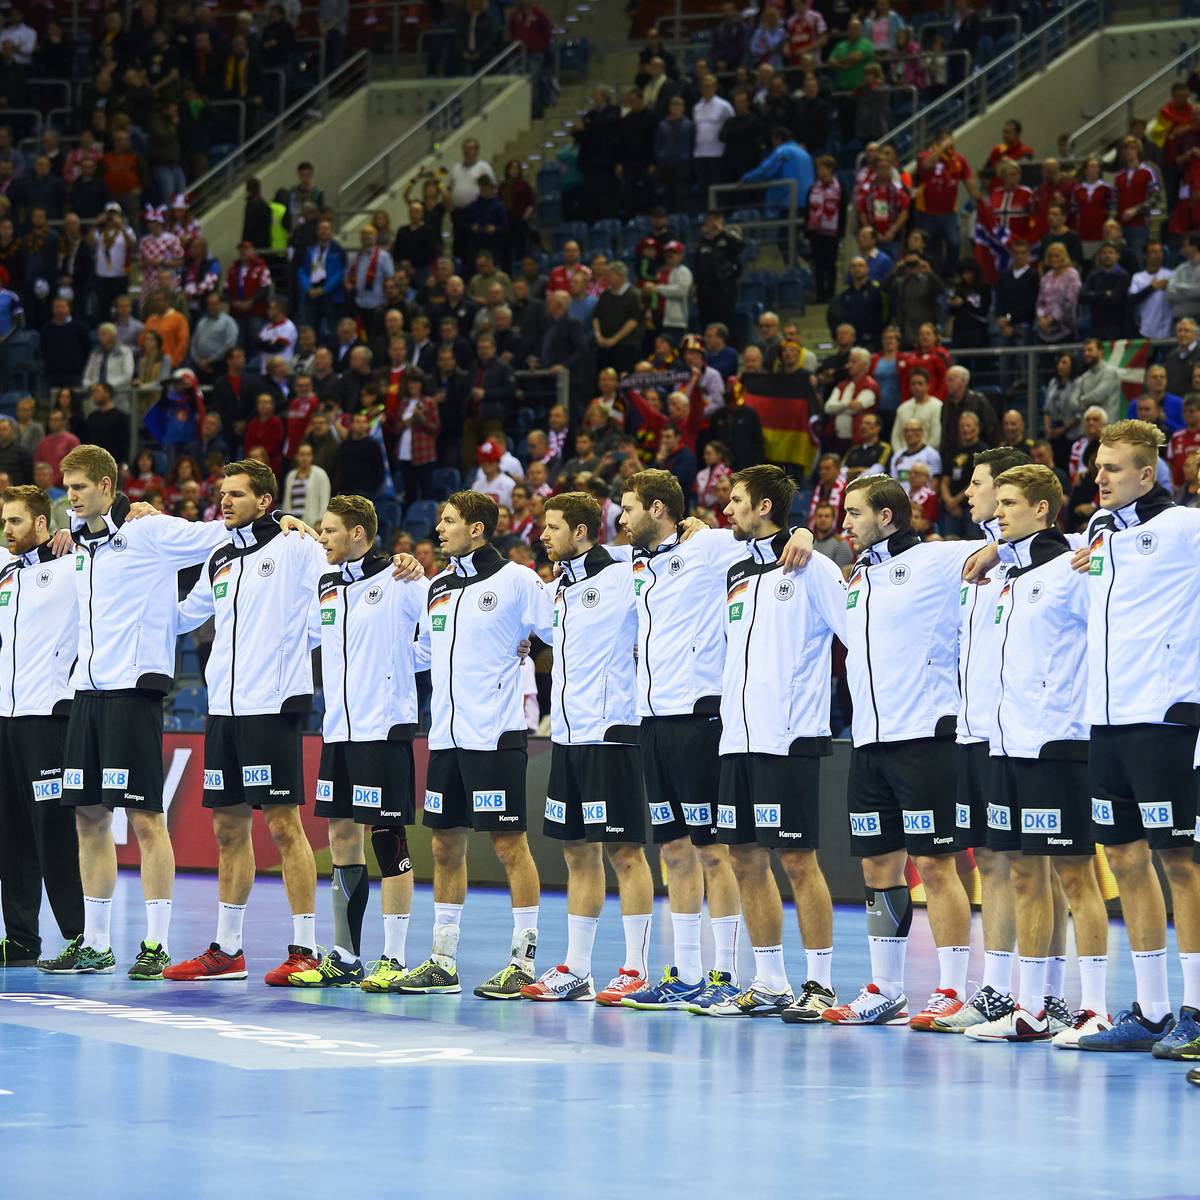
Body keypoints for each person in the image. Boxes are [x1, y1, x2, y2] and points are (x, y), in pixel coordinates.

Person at [618, 472, 810, 1012]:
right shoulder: (636, 563)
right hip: (651, 720)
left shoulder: (708, 547)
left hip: (698, 718)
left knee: (713, 850)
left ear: (658, 509)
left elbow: (772, 536)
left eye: (629, 509)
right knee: (674, 851)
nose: (622, 519)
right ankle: (687, 972)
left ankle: (726, 974)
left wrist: (805, 536)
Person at [56, 445, 232, 978]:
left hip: (134, 691)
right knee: (89, 819)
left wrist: (280, 522)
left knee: (146, 819)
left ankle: (155, 944)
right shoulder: (76, 541)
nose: (71, 496)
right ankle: (97, 941)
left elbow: (220, 535)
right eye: (67, 487)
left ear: (107, 486)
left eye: (80, 486)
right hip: (86, 692)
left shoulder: (148, 532)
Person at [959, 464, 1110, 1042]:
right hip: (1006, 745)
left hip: (1057, 744)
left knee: (1076, 878)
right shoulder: (1007, 578)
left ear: (1043, 510)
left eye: (1011, 503)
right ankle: (1034, 1007)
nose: (999, 512)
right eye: (997, 503)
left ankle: (1093, 1007)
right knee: (1024, 876)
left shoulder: (1072, 569)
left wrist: (1087, 550)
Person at [1062, 420, 1200, 1054]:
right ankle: (1151, 1011)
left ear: (1147, 474)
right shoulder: (1096, 533)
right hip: (1106, 723)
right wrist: (991, 551)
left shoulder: (1184, 528)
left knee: (1180, 863)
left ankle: (1196, 1011)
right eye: (1098, 467)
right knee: (1123, 859)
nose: (1100, 477)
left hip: (1164, 720)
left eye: (1113, 468)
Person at [821, 474, 978, 1028]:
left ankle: (953, 991)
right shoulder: (858, 575)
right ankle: (886, 989)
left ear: (887, 516)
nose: (844, 523)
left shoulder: (937, 560)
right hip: (868, 743)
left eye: (855, 512)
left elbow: (1007, 540)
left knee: (936, 865)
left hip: (925, 739)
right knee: (877, 866)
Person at [165, 460, 330, 986]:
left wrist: (290, 657)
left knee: (283, 825)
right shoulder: (219, 557)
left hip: (272, 703)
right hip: (225, 709)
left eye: (237, 494)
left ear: (265, 501)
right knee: (227, 827)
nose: (224, 501)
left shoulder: (296, 546)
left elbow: (330, 604)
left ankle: (305, 949)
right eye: (221, 493)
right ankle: (228, 950)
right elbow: (182, 616)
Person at [395, 491, 553, 999]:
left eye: (449, 521)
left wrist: (531, 647)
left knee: (510, 847)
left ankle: (523, 963)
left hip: (496, 735)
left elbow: (560, 630)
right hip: (445, 739)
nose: (438, 529)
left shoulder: (518, 580)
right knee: (443, 846)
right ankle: (443, 961)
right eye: (439, 519)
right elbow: (422, 654)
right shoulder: (437, 585)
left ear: (479, 529)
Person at [707, 466, 846, 1019]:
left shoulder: (815, 568)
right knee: (743, 859)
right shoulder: (737, 571)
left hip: (789, 738)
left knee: (797, 860)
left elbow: (856, 637)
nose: (727, 511)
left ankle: (820, 985)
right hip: (736, 738)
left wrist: (807, 534)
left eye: (736, 501)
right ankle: (769, 981)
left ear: (764, 507)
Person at [519, 493, 656, 1004]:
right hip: (568, 737)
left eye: (552, 528)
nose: (542, 536)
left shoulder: (624, 575)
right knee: (577, 852)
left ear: (581, 531)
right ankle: (578, 968)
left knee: (625, 853)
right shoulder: (558, 589)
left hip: (613, 733)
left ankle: (636, 969)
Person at [291, 496, 429, 991]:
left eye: (330, 530)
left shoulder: (400, 578)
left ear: (357, 534)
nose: (322, 537)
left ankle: (392, 958)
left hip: (383, 730)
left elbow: (440, 632)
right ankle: (346, 956)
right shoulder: (326, 585)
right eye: (320, 530)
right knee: (341, 838)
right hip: (339, 732)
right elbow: (307, 637)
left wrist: (395, 666)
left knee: (389, 842)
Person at [924, 448, 1031, 1033]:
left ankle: (1046, 995)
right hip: (972, 731)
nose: (967, 493)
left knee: (1040, 867)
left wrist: (1001, 549)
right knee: (989, 860)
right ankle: (994, 991)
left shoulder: (1046, 558)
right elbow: (890, 544)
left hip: (1020, 734)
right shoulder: (963, 558)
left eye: (980, 484)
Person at [0, 486, 84, 970]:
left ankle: (77, 936)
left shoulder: (72, 564)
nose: (7, 530)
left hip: (49, 715)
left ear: (40, 524)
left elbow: (124, 541)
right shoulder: (6, 571)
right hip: (6, 718)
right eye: (3, 522)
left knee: (53, 830)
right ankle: (20, 939)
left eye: (15, 521)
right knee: (10, 833)